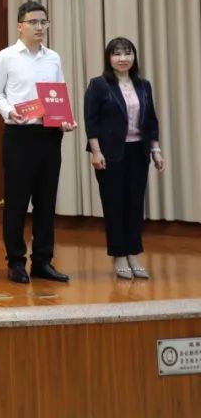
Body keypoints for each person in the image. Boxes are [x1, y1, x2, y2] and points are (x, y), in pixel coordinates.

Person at [0, 0, 76, 285]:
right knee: (16, 201)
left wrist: (65, 119)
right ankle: (15, 261)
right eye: (33, 22)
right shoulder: (6, 57)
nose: (39, 27)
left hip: (49, 135)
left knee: (46, 201)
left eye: (43, 22)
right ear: (20, 26)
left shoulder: (53, 58)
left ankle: (42, 261)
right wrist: (7, 111)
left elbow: (58, 94)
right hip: (19, 135)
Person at [83, 37, 165, 280]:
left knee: (135, 204)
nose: (123, 58)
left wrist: (156, 150)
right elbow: (91, 121)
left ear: (134, 57)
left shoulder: (143, 85)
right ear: (109, 58)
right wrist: (96, 151)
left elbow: (151, 120)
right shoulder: (99, 85)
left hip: (138, 152)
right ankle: (119, 255)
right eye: (117, 54)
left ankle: (133, 254)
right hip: (110, 153)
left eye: (127, 53)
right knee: (114, 204)